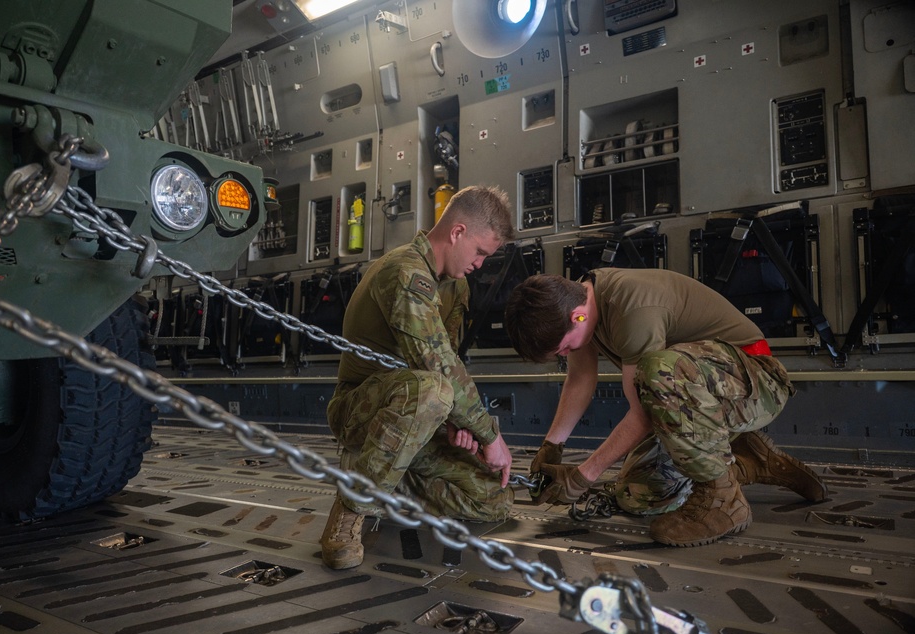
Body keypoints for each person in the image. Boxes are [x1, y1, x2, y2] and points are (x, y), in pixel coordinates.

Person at [504, 269, 827, 547]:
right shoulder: (575, 302)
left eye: (564, 347)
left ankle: (723, 501)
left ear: (578, 316)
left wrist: (582, 477)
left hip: (756, 384)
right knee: (639, 496)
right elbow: (580, 379)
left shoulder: (633, 309)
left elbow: (644, 414)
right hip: (704, 393)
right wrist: (551, 447)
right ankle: (750, 460)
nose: (564, 354)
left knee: (659, 370)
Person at [320, 185, 517, 569]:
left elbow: (452, 362)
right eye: (479, 252)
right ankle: (349, 508)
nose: (480, 264)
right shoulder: (405, 271)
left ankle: (390, 478)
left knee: (494, 500)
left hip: (420, 413)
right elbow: (438, 367)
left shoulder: (456, 286)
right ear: (457, 232)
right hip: (361, 410)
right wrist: (489, 437)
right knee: (432, 391)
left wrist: (454, 425)